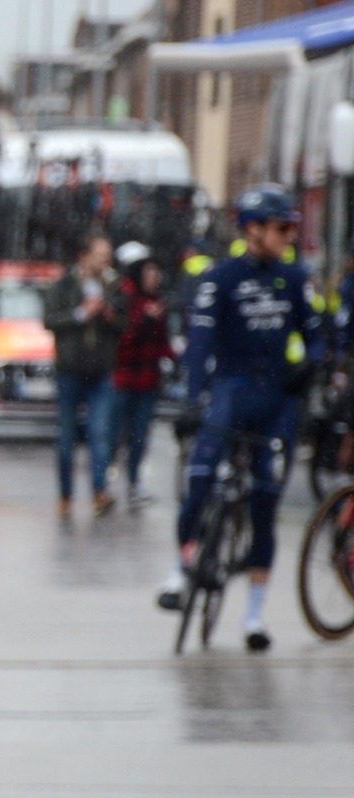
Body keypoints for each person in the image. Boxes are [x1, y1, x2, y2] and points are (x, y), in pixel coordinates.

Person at [160, 184, 323, 653]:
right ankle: (180, 568)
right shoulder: (221, 278)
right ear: (253, 230)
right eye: (282, 228)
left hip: (276, 401)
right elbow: (200, 343)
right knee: (201, 477)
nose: (290, 236)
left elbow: (315, 334)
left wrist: (309, 364)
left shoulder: (294, 278)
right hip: (230, 392)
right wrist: (193, 400)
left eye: (293, 228)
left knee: (265, 503)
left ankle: (254, 616)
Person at [43, 233, 123, 517]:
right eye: (100, 255)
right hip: (70, 370)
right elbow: (50, 319)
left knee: (99, 433)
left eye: (107, 256)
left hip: (101, 371)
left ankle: (99, 491)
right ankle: (65, 495)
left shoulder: (112, 286)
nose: (105, 261)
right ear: (84, 256)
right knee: (66, 437)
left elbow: (124, 324)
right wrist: (80, 314)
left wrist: (111, 317)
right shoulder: (65, 284)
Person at [109, 242, 171, 509]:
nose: (154, 278)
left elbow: (162, 343)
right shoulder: (126, 299)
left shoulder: (157, 302)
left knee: (140, 434)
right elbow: (123, 338)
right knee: (115, 432)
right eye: (149, 272)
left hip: (148, 380)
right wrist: (144, 321)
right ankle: (106, 478)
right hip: (124, 378)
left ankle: (134, 481)